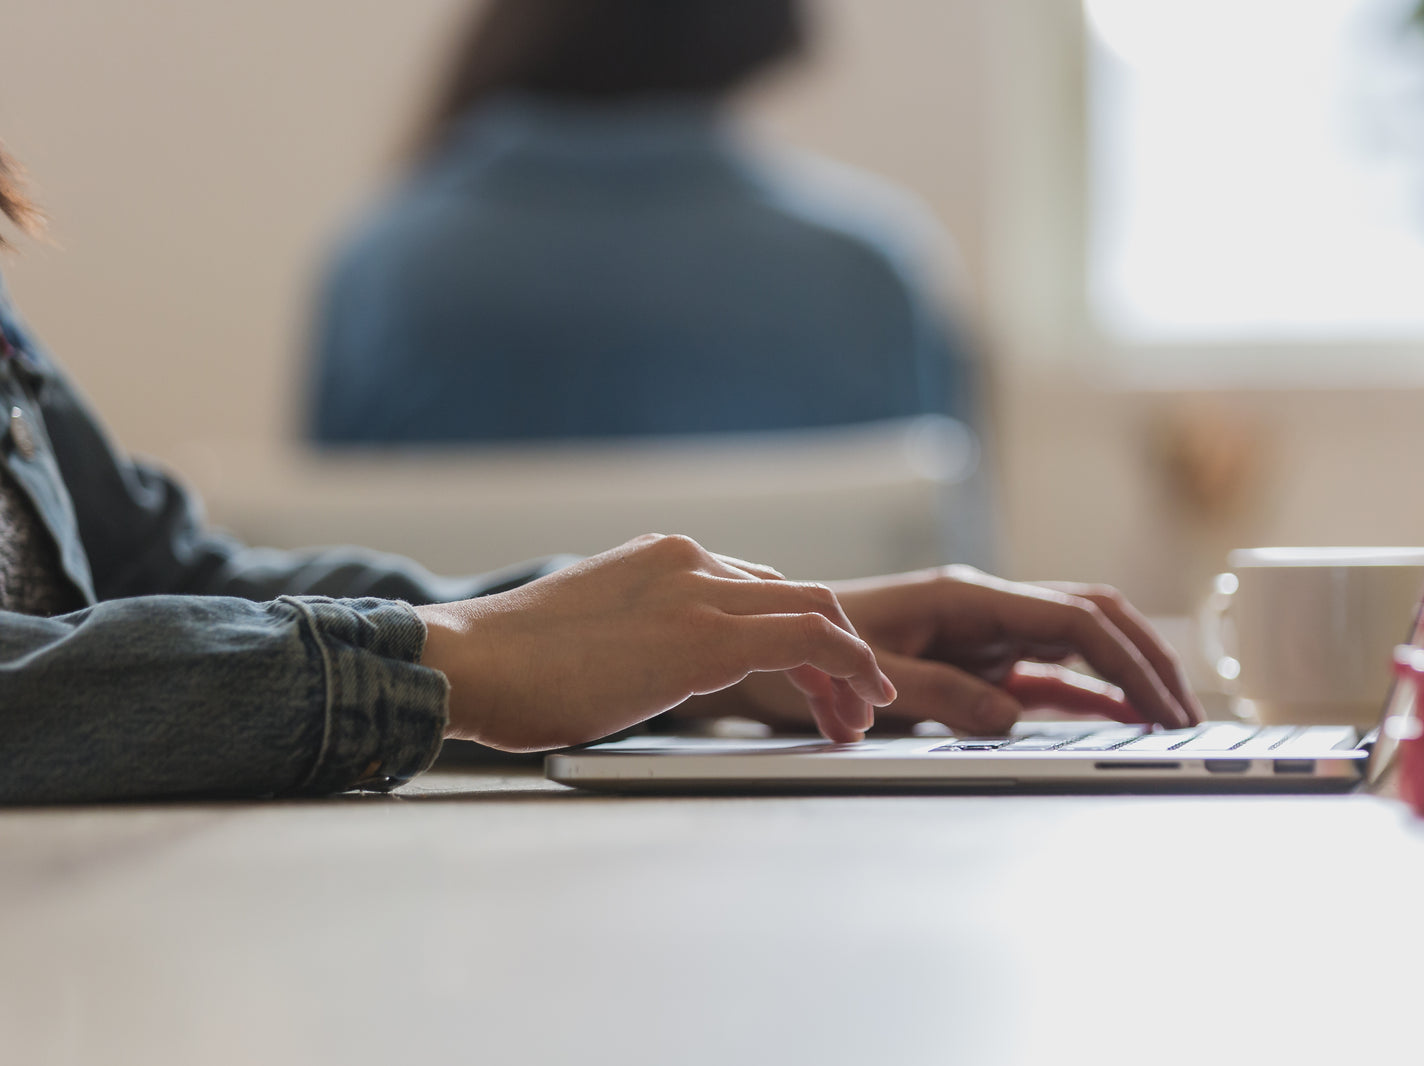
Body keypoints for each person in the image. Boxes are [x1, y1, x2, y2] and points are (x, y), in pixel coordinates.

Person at [0, 145, 1200, 806]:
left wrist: (685, 651)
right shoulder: (871, 256)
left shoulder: (382, 257)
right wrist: (453, 661)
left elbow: (168, 581)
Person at [306, 0, 974, 444]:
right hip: (798, 668)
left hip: (459, 668)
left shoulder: (383, 264)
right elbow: (950, 591)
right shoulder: (867, 271)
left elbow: (330, 610)